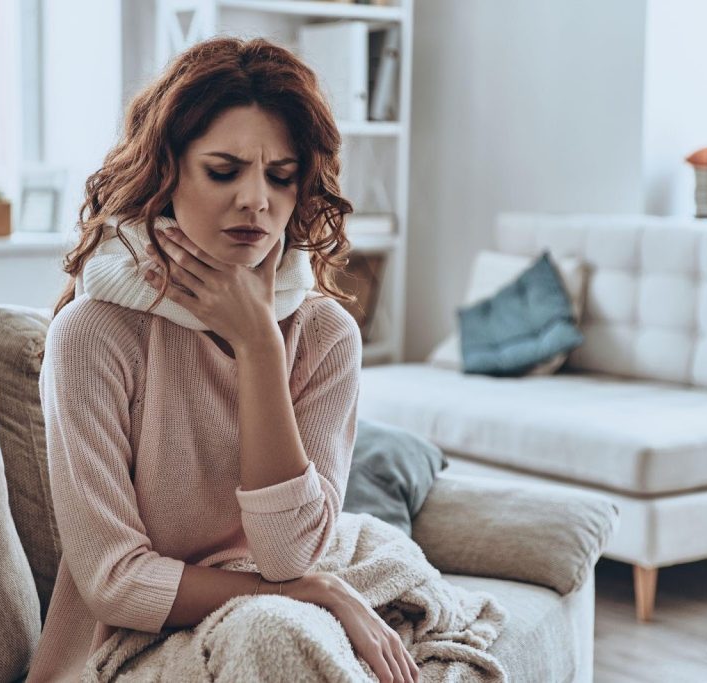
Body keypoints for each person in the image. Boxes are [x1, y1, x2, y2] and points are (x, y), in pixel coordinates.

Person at [26, 36, 418, 683]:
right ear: (166, 170)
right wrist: (312, 594)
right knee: (278, 633)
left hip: (287, 597)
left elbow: (290, 553)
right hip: (130, 641)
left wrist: (259, 345)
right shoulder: (92, 334)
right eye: (223, 170)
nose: (256, 200)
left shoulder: (325, 335)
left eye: (280, 175)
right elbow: (115, 581)